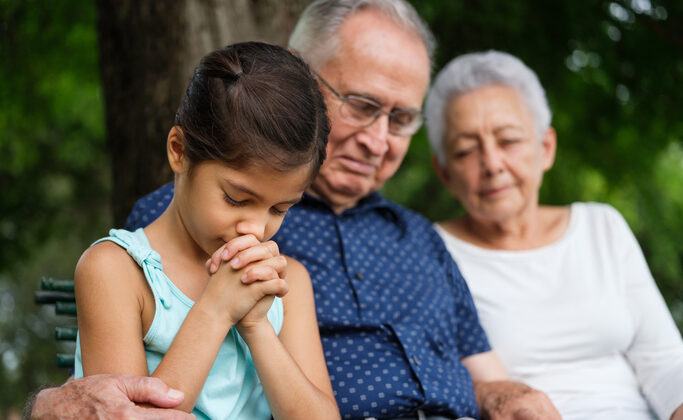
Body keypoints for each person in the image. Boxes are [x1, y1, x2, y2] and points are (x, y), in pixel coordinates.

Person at [126, 2, 561, 420]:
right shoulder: (207, 223)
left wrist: (501, 394)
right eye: (362, 106)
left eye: (402, 119)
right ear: (300, 82)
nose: (379, 141)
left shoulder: (420, 236)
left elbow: (485, 372)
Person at [72, 41, 339, 419]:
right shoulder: (115, 272)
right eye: (235, 198)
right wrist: (216, 310)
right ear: (179, 150)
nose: (255, 228)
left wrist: (257, 326)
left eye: (280, 209)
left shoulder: (287, 284)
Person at [424, 50, 683, 420]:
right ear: (445, 172)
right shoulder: (428, 251)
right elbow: (433, 383)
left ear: (545, 148)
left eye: (509, 140)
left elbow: (665, 360)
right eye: (466, 150)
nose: (493, 165)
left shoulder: (601, 227)